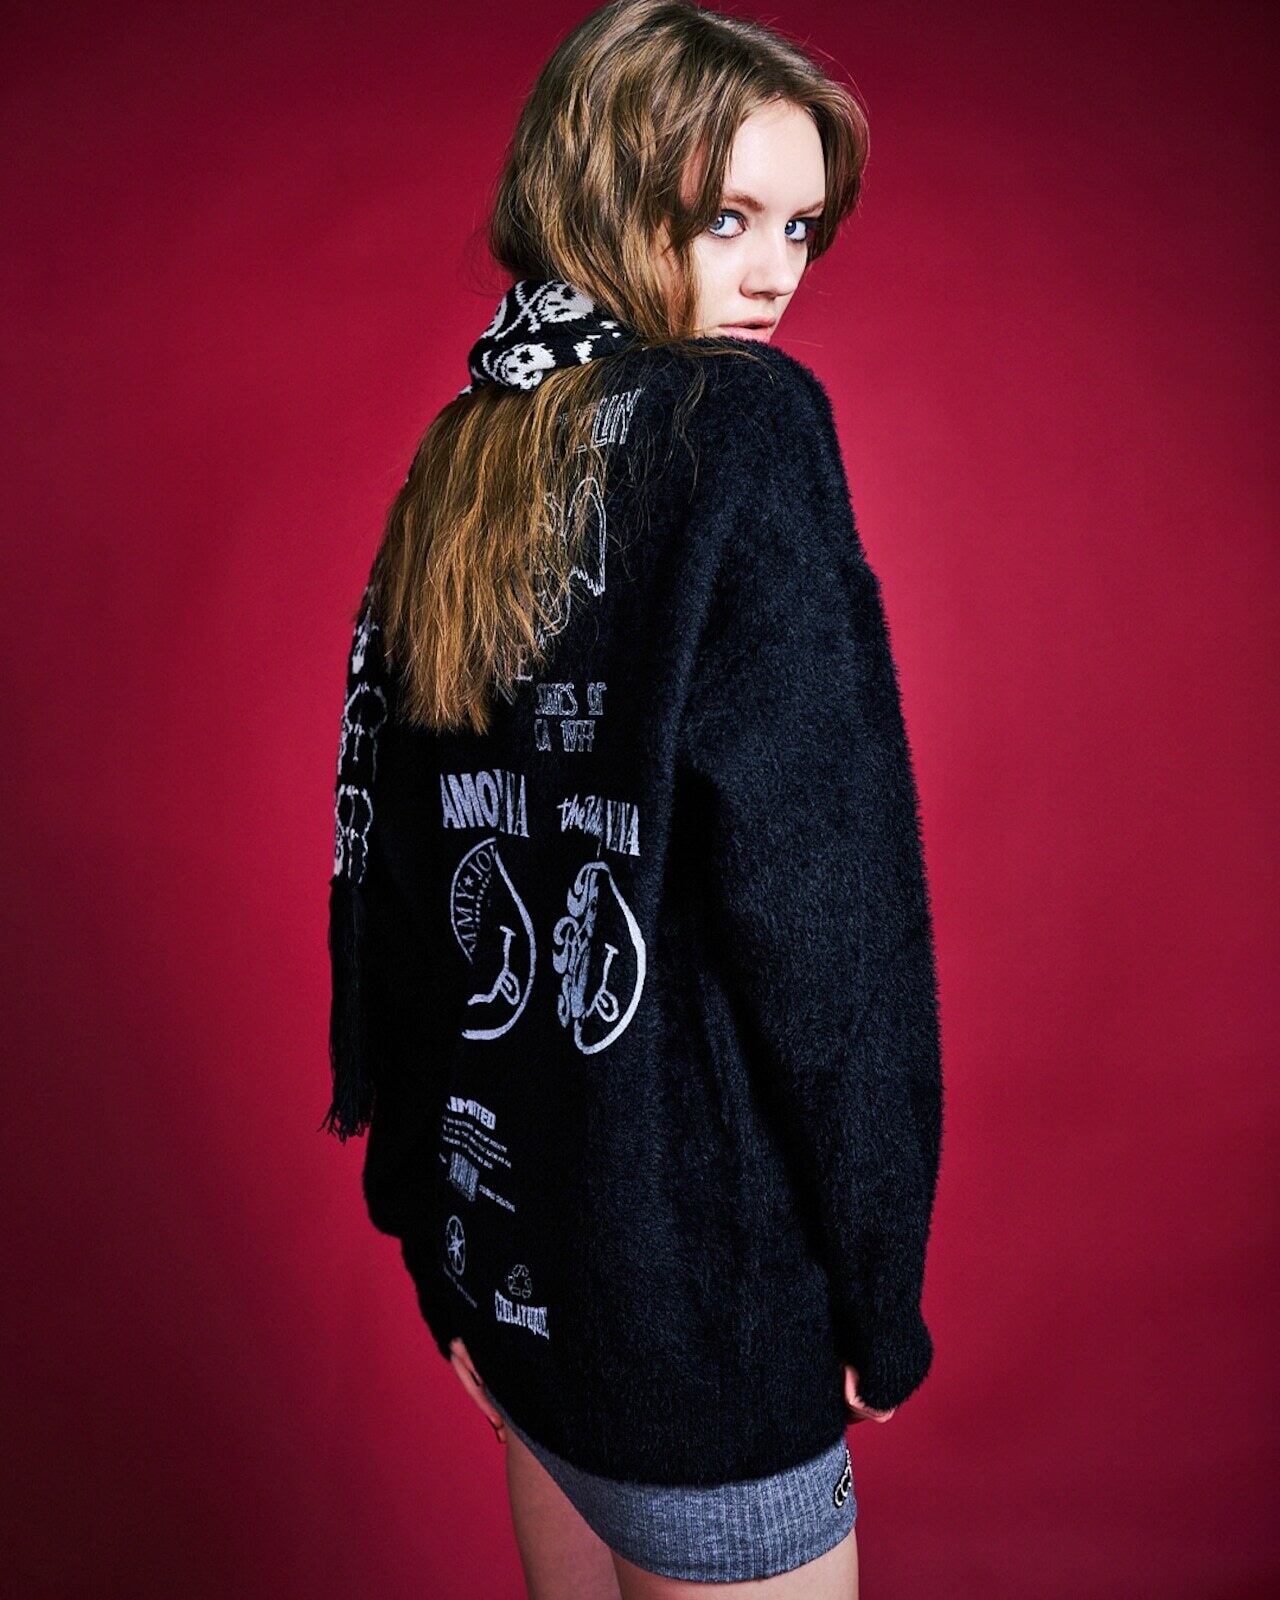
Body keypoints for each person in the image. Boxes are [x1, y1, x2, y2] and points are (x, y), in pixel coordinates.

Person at [323, 2, 944, 1593]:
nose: (778, 272)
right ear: (604, 195)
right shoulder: (743, 426)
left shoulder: (463, 459)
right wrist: (879, 1288)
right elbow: (828, 914)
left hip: (513, 1275)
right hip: (696, 1320)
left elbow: (406, 890)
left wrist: (434, 1247)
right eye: (727, 217)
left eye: (801, 226)